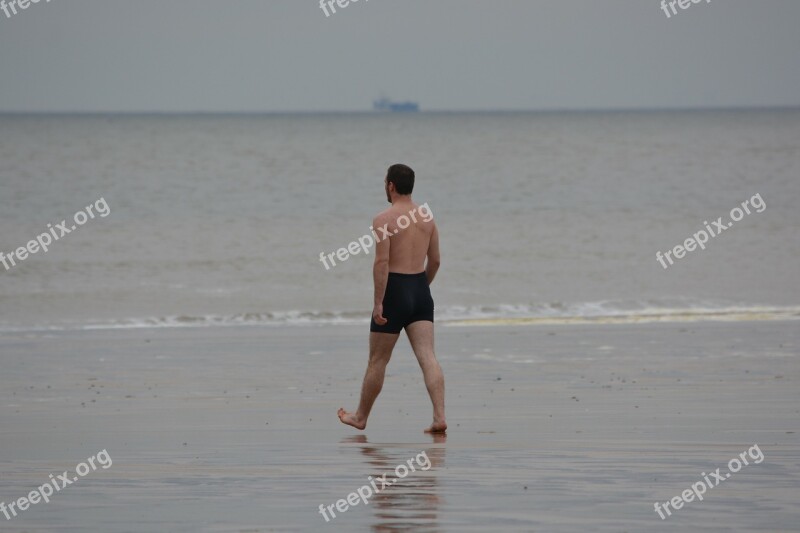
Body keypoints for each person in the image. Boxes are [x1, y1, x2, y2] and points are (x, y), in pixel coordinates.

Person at [338, 164, 446, 433]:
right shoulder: (427, 218)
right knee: (428, 357)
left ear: (390, 186)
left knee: (378, 360)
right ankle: (439, 417)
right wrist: (421, 289)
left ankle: (360, 417)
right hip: (420, 289)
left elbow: (382, 263)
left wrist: (379, 302)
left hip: (394, 291)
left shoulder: (383, 219)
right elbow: (435, 261)